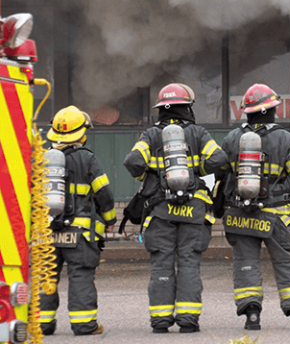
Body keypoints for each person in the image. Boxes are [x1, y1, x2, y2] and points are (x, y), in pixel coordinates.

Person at [214, 83, 290, 331]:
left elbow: (218, 170)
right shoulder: (286, 139)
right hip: (277, 216)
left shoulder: (232, 138)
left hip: (240, 215)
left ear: (247, 112)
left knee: (245, 263)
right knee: (287, 262)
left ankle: (252, 316)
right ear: (272, 109)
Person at [123, 83, 226, 334]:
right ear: (187, 108)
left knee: (162, 264)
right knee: (189, 263)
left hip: (160, 211)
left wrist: (153, 176)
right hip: (194, 210)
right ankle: (188, 320)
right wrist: (196, 172)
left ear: (161, 109)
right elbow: (219, 160)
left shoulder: (150, 134)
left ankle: (160, 321)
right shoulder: (198, 133)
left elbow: (133, 162)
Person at [40, 106, 116, 336]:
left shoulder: (43, 158)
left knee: (46, 276)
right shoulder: (87, 158)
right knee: (81, 275)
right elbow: (104, 193)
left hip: (47, 232)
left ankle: (42, 324)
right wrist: (109, 219)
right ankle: (84, 325)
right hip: (80, 233)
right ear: (81, 133)